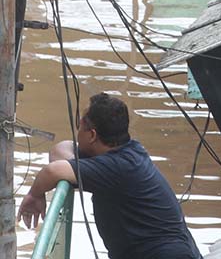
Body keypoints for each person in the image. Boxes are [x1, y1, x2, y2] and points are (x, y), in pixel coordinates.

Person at [18, 93, 202, 259]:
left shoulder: (116, 167)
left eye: (79, 126)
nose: (77, 133)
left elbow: (52, 171)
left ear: (91, 135)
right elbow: (60, 150)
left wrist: (34, 195)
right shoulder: (129, 152)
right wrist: (78, 168)